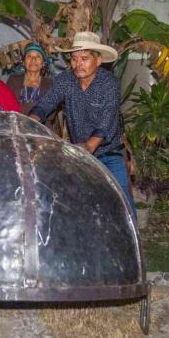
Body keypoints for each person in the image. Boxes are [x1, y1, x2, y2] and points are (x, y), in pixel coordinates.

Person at [29, 32, 135, 215]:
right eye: (74, 59)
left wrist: (88, 146)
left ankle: (133, 242)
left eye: (84, 58)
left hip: (109, 152)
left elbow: (106, 122)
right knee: (79, 205)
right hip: (80, 152)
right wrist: (30, 122)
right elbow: (46, 104)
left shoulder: (109, 83)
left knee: (123, 204)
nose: (78, 64)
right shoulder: (65, 80)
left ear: (98, 60)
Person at [6, 43, 54, 116]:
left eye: (38, 56)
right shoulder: (13, 80)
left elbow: (51, 114)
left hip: (40, 126)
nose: (33, 59)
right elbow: (6, 106)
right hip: (15, 124)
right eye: (29, 56)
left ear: (43, 63)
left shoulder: (50, 84)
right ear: (23, 62)